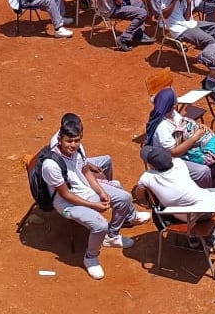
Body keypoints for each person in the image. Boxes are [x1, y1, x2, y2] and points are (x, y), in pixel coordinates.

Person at [41, 115, 152, 280]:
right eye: (69, 141)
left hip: (85, 189)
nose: (73, 145)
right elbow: (66, 195)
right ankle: (90, 257)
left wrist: (101, 191)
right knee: (100, 225)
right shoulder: (51, 165)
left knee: (125, 198)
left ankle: (112, 237)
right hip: (67, 203)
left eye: (76, 140)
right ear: (59, 139)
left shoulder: (78, 148)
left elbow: (85, 170)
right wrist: (95, 206)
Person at [132, 146, 215, 248]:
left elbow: (140, 196)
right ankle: (214, 239)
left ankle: (192, 237)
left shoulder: (147, 177)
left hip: (179, 216)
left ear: (151, 165)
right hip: (201, 214)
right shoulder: (179, 163)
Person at [145, 86, 215, 187]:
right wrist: (195, 137)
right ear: (172, 105)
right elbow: (174, 153)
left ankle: (214, 188)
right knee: (203, 171)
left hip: (183, 148)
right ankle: (202, 193)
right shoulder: (162, 127)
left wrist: (198, 127)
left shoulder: (172, 113)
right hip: (170, 160)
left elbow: (184, 126)